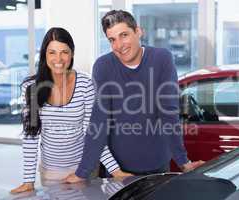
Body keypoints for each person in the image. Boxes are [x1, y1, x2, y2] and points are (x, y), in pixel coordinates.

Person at [64, 10, 204, 183]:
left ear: (138, 32)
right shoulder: (103, 66)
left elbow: (168, 112)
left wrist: (183, 162)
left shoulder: (162, 59)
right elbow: (99, 120)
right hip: (117, 169)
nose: (119, 45)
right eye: (112, 39)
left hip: (157, 164)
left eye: (124, 35)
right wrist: (82, 173)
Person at [10, 27, 124, 194]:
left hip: (84, 170)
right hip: (51, 173)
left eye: (64, 52)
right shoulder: (31, 87)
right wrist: (28, 181)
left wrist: (115, 170)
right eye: (52, 52)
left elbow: (92, 133)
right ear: (44, 55)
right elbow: (31, 136)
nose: (58, 58)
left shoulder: (85, 83)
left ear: (72, 54)